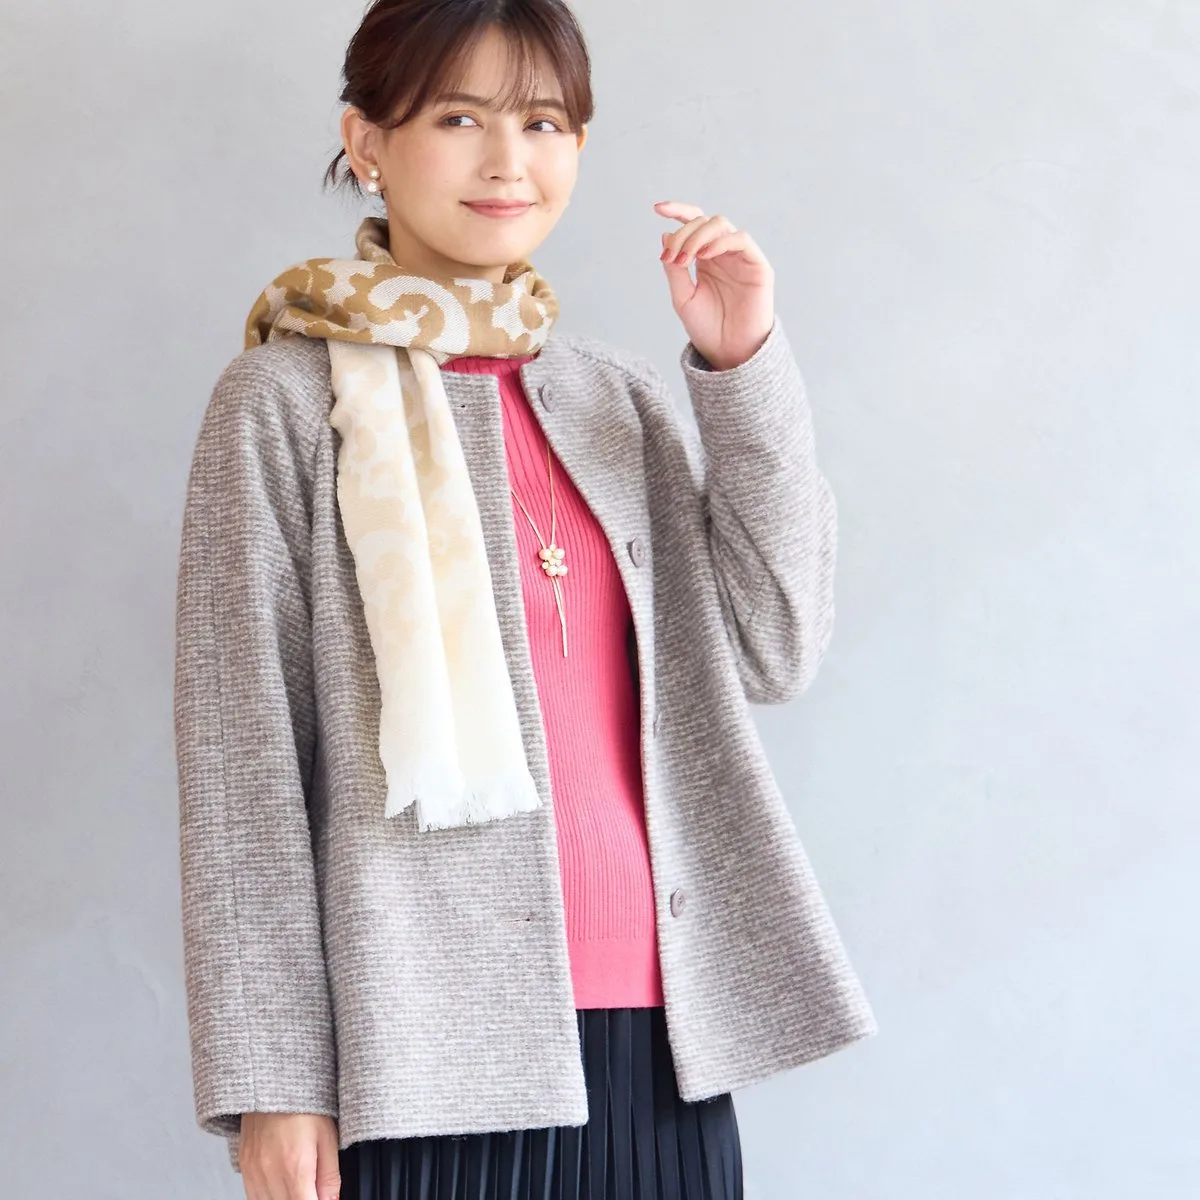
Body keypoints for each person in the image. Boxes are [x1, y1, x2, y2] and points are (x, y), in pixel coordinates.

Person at [172, 1, 877, 1197]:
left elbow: (776, 644)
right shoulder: (283, 403)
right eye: (459, 118)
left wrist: (742, 367)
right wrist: (272, 1085)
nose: (509, 161)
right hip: (423, 1055)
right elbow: (243, 769)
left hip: (663, 1041)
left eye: (544, 123)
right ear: (367, 141)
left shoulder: (621, 400)